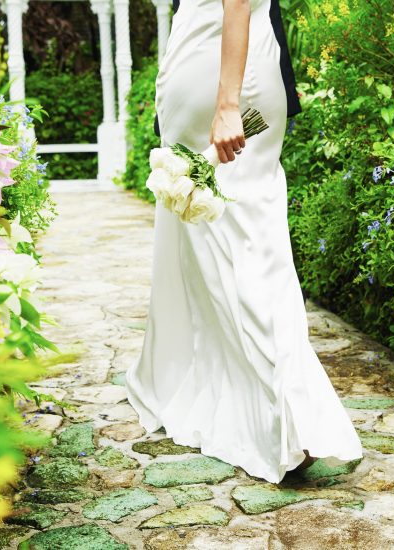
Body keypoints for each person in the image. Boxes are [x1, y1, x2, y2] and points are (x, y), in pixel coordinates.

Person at [124, 0, 362, 484]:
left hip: (225, 75)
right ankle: (268, 413)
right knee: (238, 244)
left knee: (245, 245)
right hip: (219, 68)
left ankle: (285, 416)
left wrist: (229, 103)